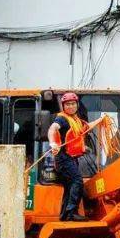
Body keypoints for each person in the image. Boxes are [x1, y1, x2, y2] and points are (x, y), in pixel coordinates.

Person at [47, 92, 89, 222]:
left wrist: (84, 148)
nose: (71, 106)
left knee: (70, 186)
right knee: (77, 181)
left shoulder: (76, 120)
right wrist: (53, 143)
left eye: (73, 104)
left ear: (77, 105)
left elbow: (81, 133)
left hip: (71, 158)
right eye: (68, 104)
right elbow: (52, 129)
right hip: (63, 158)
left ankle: (64, 214)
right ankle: (71, 213)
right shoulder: (62, 119)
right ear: (64, 106)